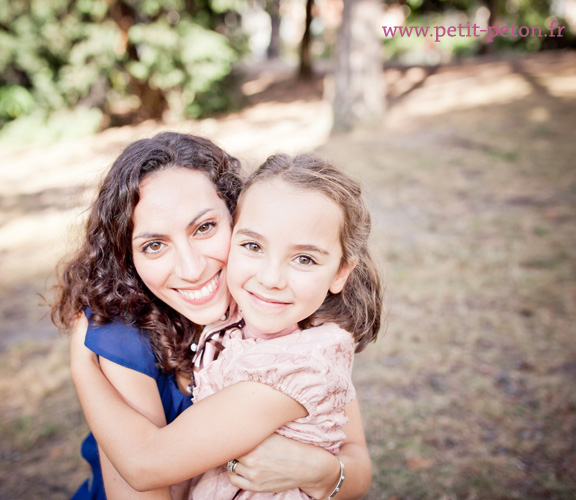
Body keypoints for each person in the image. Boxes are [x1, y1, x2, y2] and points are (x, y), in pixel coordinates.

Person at [53, 133, 372, 499]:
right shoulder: (122, 335)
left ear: (236, 215)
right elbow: (143, 467)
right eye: (154, 245)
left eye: (204, 227)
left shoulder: (283, 320)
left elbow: (357, 465)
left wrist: (321, 473)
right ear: (128, 256)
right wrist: (83, 368)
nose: (190, 269)